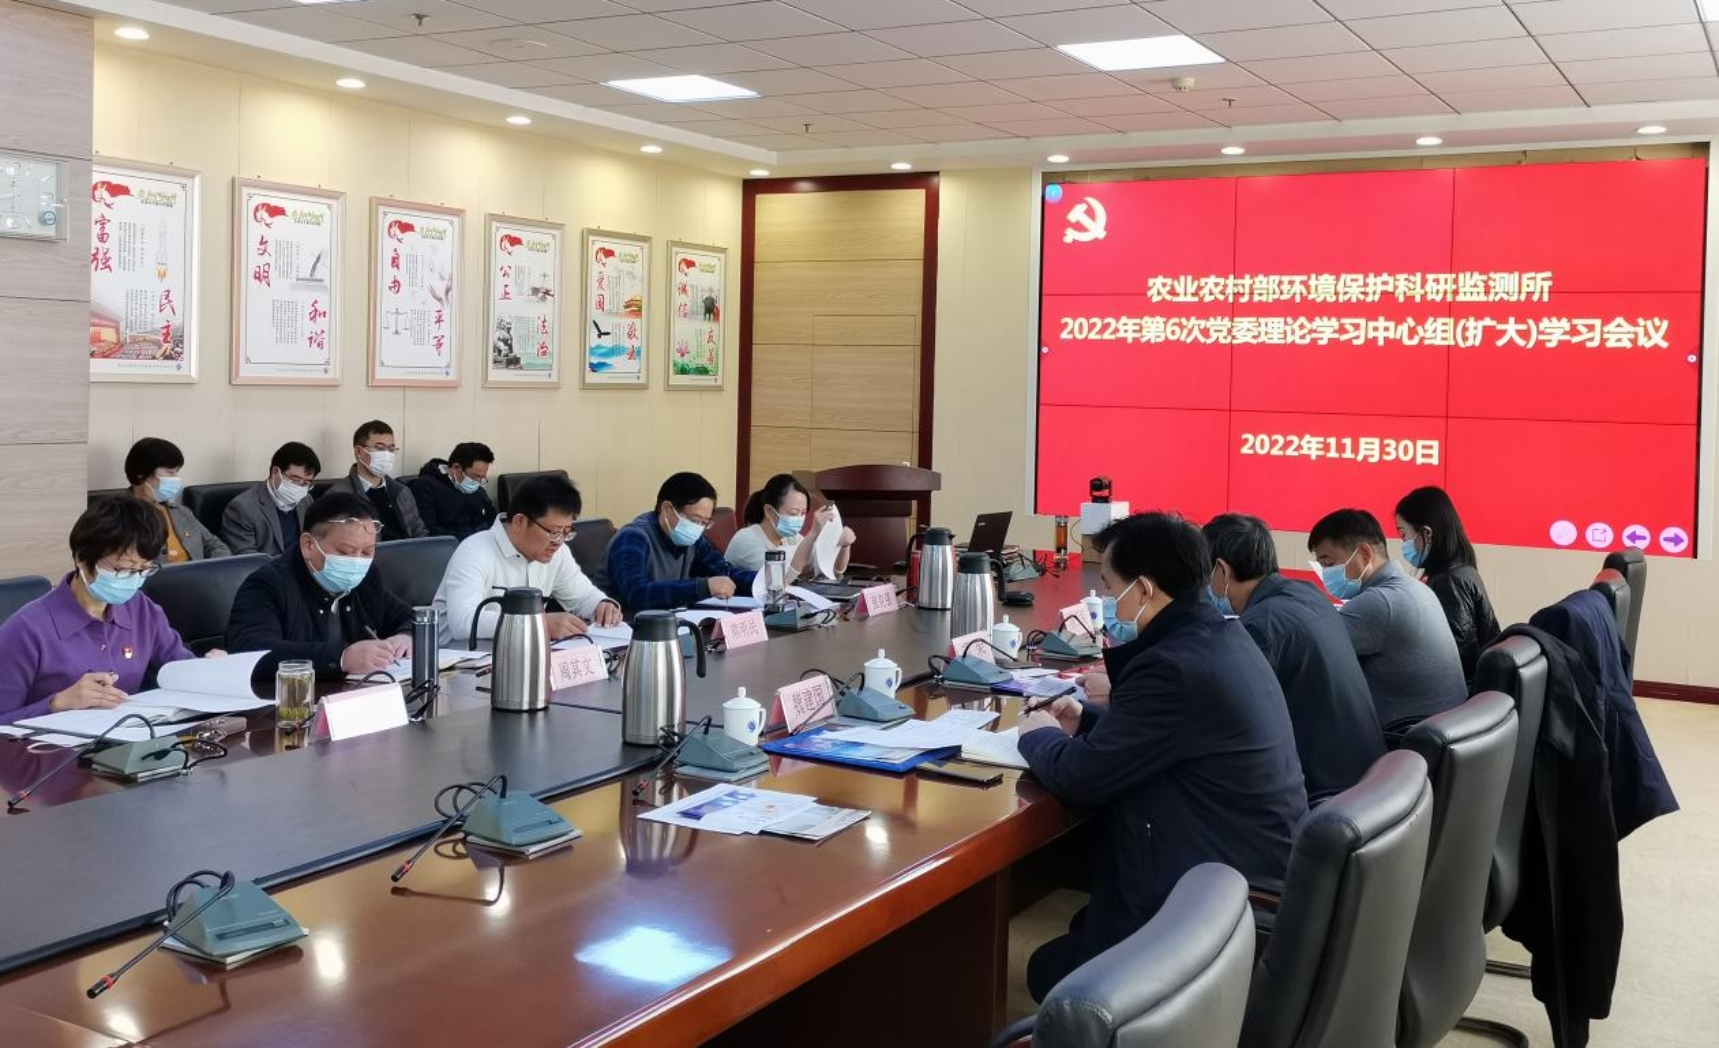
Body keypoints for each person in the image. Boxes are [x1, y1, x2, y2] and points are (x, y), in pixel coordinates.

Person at [1017, 512, 1306, 1001]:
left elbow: (1081, 777)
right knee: (1073, 940)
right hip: (1246, 863)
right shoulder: (1218, 635)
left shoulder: (1171, 666)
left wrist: (1038, 735)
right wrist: (1086, 720)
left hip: (1214, 891)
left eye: (1111, 589)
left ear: (1145, 589)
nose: (1108, 603)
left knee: (1050, 972)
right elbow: (1170, 736)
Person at [1202, 513, 1383, 800]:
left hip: (1323, 794)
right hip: (1365, 778)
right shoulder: (1307, 594)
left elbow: (1216, 718)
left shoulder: (1260, 628)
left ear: (1222, 570)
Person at [0, 499, 198, 724]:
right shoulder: (26, 630)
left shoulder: (142, 610)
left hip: (130, 739)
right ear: (82, 558)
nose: (134, 580)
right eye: (123, 569)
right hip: (51, 746)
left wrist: (212, 669)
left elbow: (181, 669)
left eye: (143, 569)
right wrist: (56, 704)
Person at [1308, 508, 1467, 738]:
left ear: (1364, 553)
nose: (1325, 574)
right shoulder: (1414, 587)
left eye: (1329, 563)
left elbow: (1309, 654)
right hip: (1444, 732)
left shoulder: (1377, 602)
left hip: (1403, 740)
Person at [227, 493, 413, 679]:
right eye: (345, 552)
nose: (357, 562)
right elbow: (251, 651)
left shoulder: (367, 578)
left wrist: (405, 636)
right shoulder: (267, 584)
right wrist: (341, 658)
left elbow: (407, 617)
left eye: (366, 552)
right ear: (308, 545)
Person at [437, 474, 622, 643]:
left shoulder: (557, 552)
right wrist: (539, 624)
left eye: (567, 532)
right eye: (554, 532)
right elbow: (463, 621)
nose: (559, 542)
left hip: (519, 654)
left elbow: (584, 596)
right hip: (457, 659)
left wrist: (602, 605)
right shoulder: (475, 550)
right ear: (520, 521)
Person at [593, 472, 756, 613]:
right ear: (667, 509)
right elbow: (637, 594)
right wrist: (702, 587)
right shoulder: (633, 538)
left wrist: (763, 582)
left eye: (705, 523)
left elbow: (723, 572)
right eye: (695, 520)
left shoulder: (692, 539)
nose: (698, 528)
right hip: (620, 628)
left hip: (668, 624)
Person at [1395, 486, 1501, 686]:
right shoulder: (1463, 570)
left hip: (1456, 698)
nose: (1404, 544)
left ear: (1426, 533)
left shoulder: (1449, 583)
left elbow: (1455, 659)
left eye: (1404, 535)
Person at [724, 473, 856, 579]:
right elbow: (779, 581)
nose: (799, 519)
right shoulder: (746, 539)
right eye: (793, 513)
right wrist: (812, 534)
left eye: (803, 513)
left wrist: (843, 545)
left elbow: (832, 570)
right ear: (769, 511)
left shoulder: (792, 538)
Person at [124, 437, 230, 562]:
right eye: (170, 472)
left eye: (177, 472)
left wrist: (213, 569)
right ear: (141, 473)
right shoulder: (118, 516)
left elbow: (215, 546)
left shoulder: (182, 512)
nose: (176, 478)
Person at [325, 420, 427, 542]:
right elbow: (338, 542)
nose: (386, 455)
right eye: (379, 448)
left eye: (391, 449)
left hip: (408, 552)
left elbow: (419, 532)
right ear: (359, 452)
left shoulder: (401, 491)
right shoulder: (338, 495)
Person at [222, 441, 321, 557]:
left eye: (306, 483)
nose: (299, 487)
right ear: (275, 472)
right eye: (294, 480)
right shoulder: (242, 508)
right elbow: (247, 560)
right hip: (267, 567)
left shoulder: (306, 500)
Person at [411, 442, 498, 542]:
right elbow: (428, 530)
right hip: (450, 546)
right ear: (456, 468)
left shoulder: (478, 490)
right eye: (476, 476)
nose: (478, 482)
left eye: (482, 478)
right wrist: (471, 539)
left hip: (483, 543)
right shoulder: (425, 487)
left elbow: (493, 519)